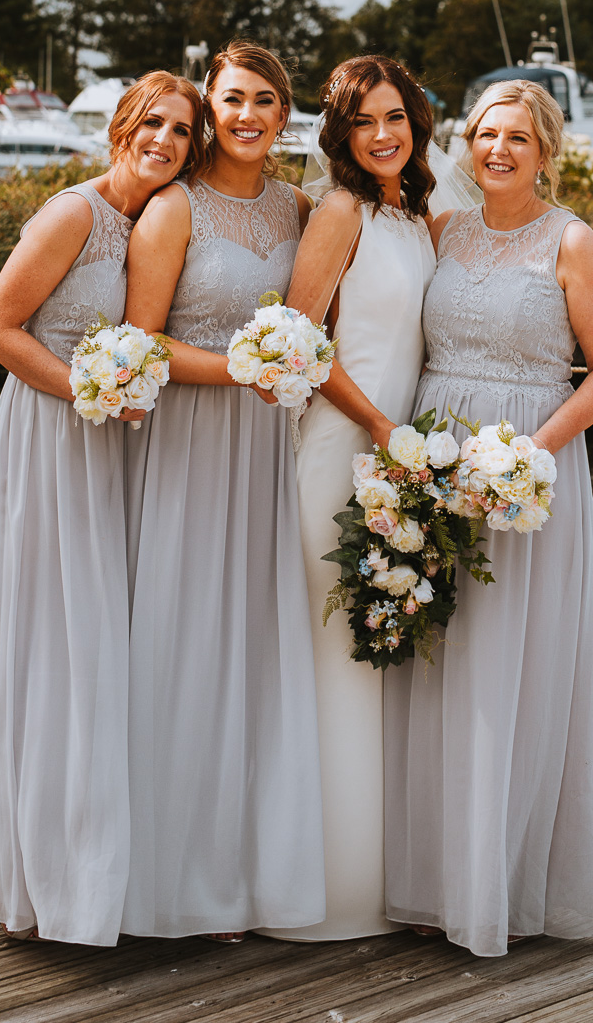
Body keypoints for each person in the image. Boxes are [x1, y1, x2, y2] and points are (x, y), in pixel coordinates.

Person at [384, 80, 593, 957]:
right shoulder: (445, 230)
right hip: (435, 459)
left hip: (525, 473)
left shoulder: (572, 241)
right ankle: (436, 876)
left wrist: (530, 454)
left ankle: (511, 877)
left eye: (515, 136)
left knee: (518, 665)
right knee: (442, 659)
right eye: (483, 134)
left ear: (545, 149)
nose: (495, 150)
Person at [0, 71, 201, 945]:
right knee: (55, 640)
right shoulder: (75, 212)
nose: (164, 141)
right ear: (120, 128)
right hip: (49, 434)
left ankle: (93, 867)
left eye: (180, 130)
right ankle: (41, 878)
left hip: (104, 441)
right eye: (152, 123)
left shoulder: (153, 223)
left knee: (97, 640)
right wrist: (84, 391)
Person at [121, 40, 325, 942]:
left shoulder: (299, 207)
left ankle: (238, 873)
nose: (248, 116)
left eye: (265, 102)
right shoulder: (173, 208)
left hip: (265, 447)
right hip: (189, 438)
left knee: (252, 647)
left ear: (286, 117)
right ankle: (167, 882)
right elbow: (141, 344)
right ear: (211, 105)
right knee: (182, 639)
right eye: (233, 99)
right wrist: (244, 369)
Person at [259, 55, 438, 942]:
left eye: (394, 117)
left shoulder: (410, 214)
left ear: (414, 122)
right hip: (342, 449)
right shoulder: (337, 213)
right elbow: (299, 344)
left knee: (378, 653)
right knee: (334, 653)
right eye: (364, 121)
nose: (382, 134)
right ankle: (321, 889)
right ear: (340, 132)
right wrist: (379, 427)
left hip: (400, 454)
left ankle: (383, 871)